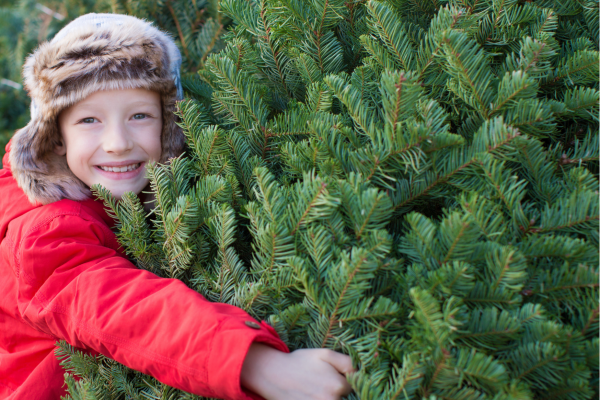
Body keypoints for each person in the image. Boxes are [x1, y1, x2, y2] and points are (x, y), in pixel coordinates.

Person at [0, 14, 354, 400]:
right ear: (56, 141)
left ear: (169, 127)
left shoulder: (127, 194)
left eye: (139, 116)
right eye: (89, 120)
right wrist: (256, 364)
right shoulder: (43, 228)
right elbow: (118, 306)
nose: (118, 142)